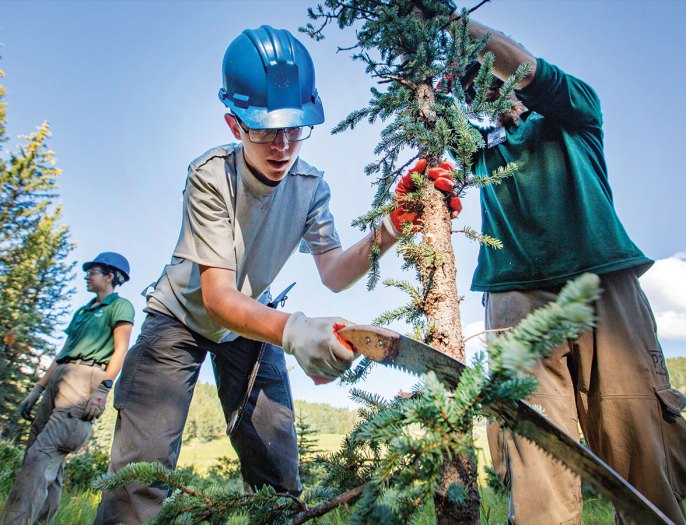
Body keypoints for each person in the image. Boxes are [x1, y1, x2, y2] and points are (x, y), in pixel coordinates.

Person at [93, 25, 459, 525]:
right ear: (234, 123)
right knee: (140, 472)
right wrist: (293, 329)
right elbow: (218, 298)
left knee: (276, 464)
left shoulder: (310, 186)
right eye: (265, 130)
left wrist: (393, 226)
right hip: (179, 319)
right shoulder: (211, 176)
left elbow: (332, 272)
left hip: (249, 323)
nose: (283, 145)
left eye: (295, 128)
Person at [459, 15, 686, 525]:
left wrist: (447, 19)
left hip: (602, 284)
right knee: (534, 455)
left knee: (638, 441)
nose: (496, 90)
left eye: (498, 74)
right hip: (514, 297)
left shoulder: (575, 113)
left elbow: (528, 72)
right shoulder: (479, 154)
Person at [0, 252, 134, 525]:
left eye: (93, 271)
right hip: (59, 378)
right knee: (43, 461)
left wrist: (103, 390)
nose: (87, 275)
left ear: (110, 276)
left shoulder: (119, 306)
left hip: (85, 380)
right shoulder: (83, 311)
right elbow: (64, 351)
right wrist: (38, 389)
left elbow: (121, 349)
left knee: (42, 457)